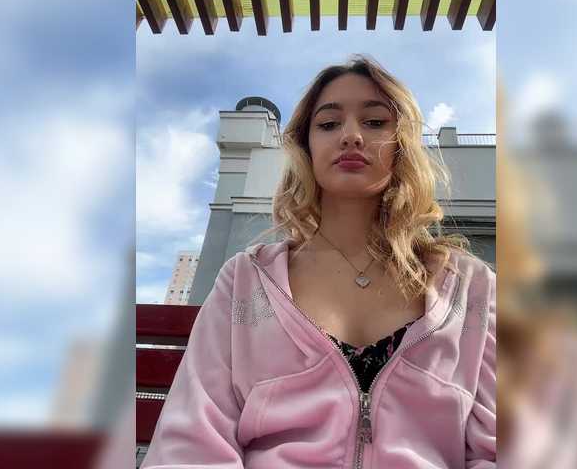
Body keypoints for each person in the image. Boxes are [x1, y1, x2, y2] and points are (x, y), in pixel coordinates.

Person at [140, 55, 496, 468]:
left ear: (402, 143)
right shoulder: (245, 278)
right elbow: (191, 445)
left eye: (375, 122)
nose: (351, 136)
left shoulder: (470, 286)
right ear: (305, 146)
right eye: (328, 124)